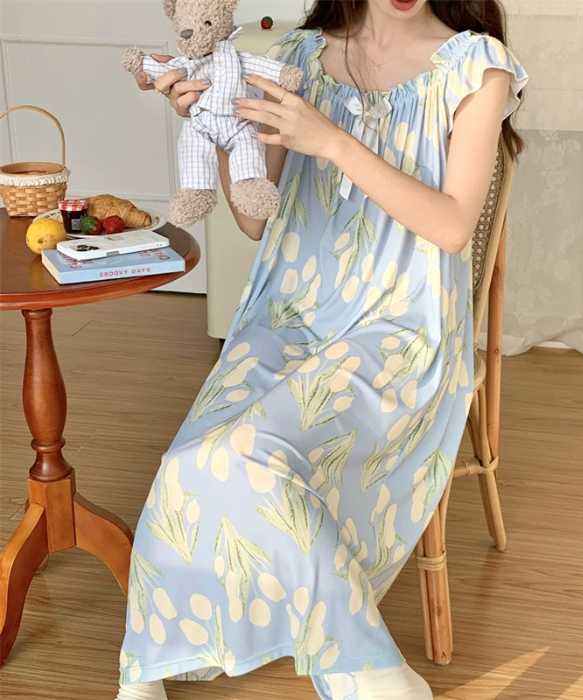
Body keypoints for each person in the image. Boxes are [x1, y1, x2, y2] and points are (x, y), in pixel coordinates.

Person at [115, 1, 529, 698]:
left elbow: (453, 226)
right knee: (188, 463)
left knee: (243, 457)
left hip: (398, 330)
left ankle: (368, 669)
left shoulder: (475, 67)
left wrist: (332, 140)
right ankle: (146, 669)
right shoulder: (299, 58)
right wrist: (214, 123)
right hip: (288, 317)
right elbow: (253, 220)